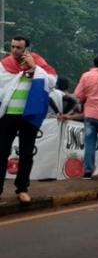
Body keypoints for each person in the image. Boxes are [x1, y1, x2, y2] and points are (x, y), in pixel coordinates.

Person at [0, 36, 57, 203]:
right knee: (1, 153)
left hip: (28, 115)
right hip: (7, 115)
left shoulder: (37, 62)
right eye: (13, 47)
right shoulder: (4, 65)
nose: (15, 51)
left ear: (26, 49)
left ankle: (22, 189)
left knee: (26, 153)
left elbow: (52, 82)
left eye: (18, 48)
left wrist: (34, 67)